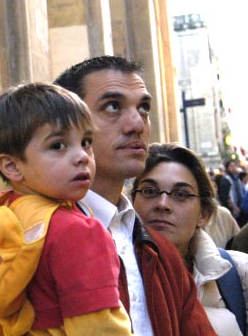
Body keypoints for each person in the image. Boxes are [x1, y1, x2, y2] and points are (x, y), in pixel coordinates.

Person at [0, 82, 133, 335]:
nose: (82, 156)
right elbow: (99, 327)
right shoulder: (79, 233)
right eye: (58, 145)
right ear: (12, 167)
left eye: (86, 141)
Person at [54, 56, 217, 336]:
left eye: (143, 108)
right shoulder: (13, 236)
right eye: (113, 106)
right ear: (63, 125)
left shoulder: (161, 252)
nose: (137, 125)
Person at [131, 143, 248, 336]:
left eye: (181, 195)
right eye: (150, 191)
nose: (162, 204)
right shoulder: (112, 276)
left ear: (204, 213)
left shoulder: (238, 276)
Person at [219, 159, 246, 226]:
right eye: (231, 166)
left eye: (234, 166)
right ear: (227, 168)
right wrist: (234, 207)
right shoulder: (226, 180)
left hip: (240, 207)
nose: (234, 168)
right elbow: (226, 196)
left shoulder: (236, 179)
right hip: (233, 209)